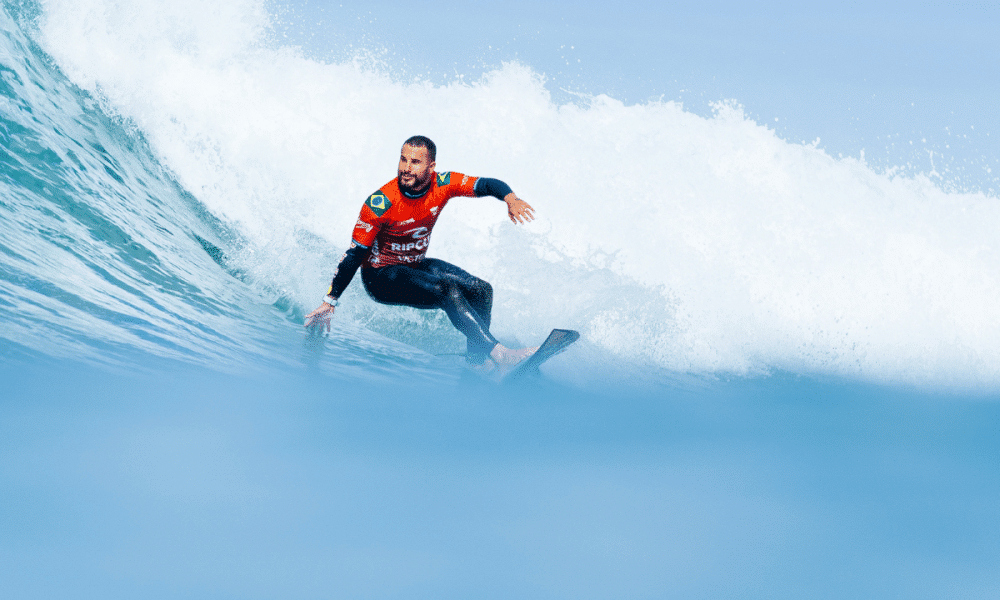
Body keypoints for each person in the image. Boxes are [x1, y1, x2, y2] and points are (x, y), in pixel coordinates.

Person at [305, 135, 537, 373]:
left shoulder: (443, 183)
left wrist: (511, 199)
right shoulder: (380, 203)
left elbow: (487, 184)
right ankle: (500, 354)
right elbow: (353, 256)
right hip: (381, 277)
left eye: (415, 162)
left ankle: (477, 363)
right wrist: (329, 301)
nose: (406, 168)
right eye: (403, 159)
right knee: (447, 290)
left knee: (481, 290)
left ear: (431, 167)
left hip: (414, 264)